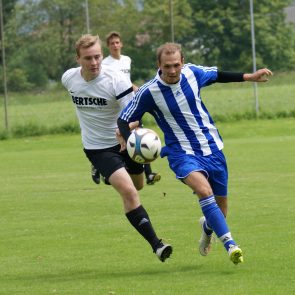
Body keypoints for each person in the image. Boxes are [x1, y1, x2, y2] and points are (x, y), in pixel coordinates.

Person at [117, 42, 273, 264]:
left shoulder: (192, 72)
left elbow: (218, 75)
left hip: (212, 148)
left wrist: (250, 77)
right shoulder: (149, 91)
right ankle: (231, 245)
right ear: (158, 65)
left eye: (176, 65)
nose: (172, 71)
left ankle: (207, 227)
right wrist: (128, 139)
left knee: (221, 209)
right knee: (203, 190)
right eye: (167, 66)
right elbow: (124, 118)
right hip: (181, 153)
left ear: (182, 62)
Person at [61, 34, 172, 262]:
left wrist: (125, 130)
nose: (94, 63)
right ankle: (158, 245)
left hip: (124, 143)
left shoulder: (115, 81)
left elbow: (134, 114)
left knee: (138, 186)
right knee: (129, 192)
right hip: (97, 148)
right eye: (88, 58)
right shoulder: (69, 79)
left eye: (97, 57)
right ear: (77, 59)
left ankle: (107, 174)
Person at [91, 31, 161, 186]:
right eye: (112, 43)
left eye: (117, 42)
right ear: (108, 47)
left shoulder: (127, 60)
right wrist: (136, 89)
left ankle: (148, 174)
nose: (115, 45)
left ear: (121, 44)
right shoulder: (106, 63)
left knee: (139, 133)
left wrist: (136, 90)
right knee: (126, 136)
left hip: (127, 100)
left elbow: (126, 81)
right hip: (114, 104)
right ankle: (100, 166)